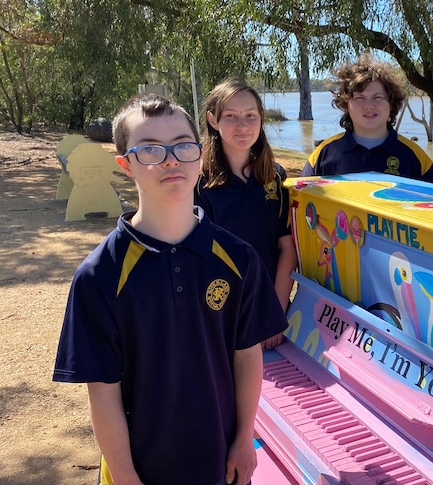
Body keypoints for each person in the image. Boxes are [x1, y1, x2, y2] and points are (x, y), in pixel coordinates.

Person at [52, 93, 288, 485]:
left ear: (199, 153)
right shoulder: (99, 276)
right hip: (141, 469)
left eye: (182, 145)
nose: (170, 159)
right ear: (125, 165)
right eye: (150, 150)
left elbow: (246, 358)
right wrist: (125, 475)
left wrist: (245, 439)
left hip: (220, 460)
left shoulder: (238, 259)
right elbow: (103, 391)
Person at [196, 77, 297, 349]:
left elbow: (287, 247)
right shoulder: (197, 182)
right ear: (213, 120)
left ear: (261, 119)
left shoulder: (276, 178)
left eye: (250, 115)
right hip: (218, 319)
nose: (242, 125)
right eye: (230, 116)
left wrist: (274, 313)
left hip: (270, 310)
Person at [301, 57, 433, 184]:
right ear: (346, 105)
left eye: (377, 97)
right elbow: (299, 202)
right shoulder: (324, 154)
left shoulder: (415, 157)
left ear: (391, 103)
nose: (369, 106)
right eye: (359, 98)